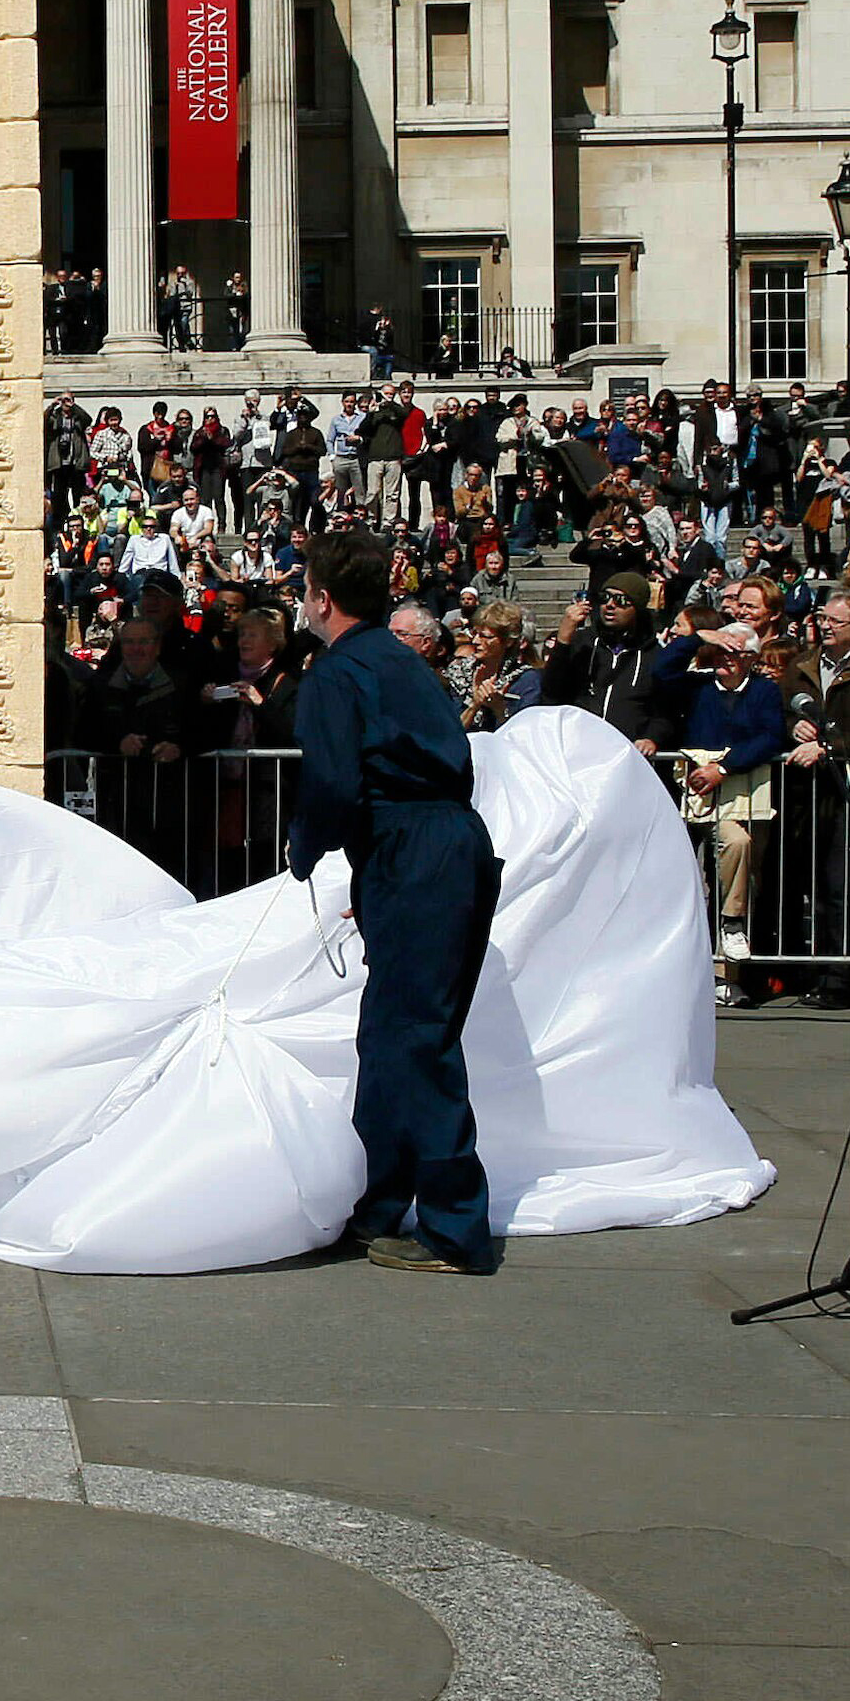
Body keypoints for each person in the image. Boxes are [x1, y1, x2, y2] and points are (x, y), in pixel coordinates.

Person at [287, 533, 501, 1276]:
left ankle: (453, 1225)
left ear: (321, 598)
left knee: (413, 1038)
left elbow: (335, 784)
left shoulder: (334, 674)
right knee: (389, 1039)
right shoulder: (405, 663)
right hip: (445, 843)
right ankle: (382, 1202)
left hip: (413, 847)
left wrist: (308, 845)